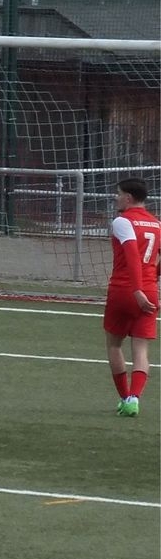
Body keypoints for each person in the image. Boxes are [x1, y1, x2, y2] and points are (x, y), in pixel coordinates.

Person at [104, 178, 159, 417]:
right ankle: (135, 398)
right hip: (150, 290)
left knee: (114, 345)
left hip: (124, 290)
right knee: (141, 350)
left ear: (128, 197)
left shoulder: (122, 221)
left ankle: (125, 397)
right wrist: (153, 278)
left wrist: (136, 290)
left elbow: (132, 256)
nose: (116, 198)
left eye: (118, 194)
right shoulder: (157, 224)